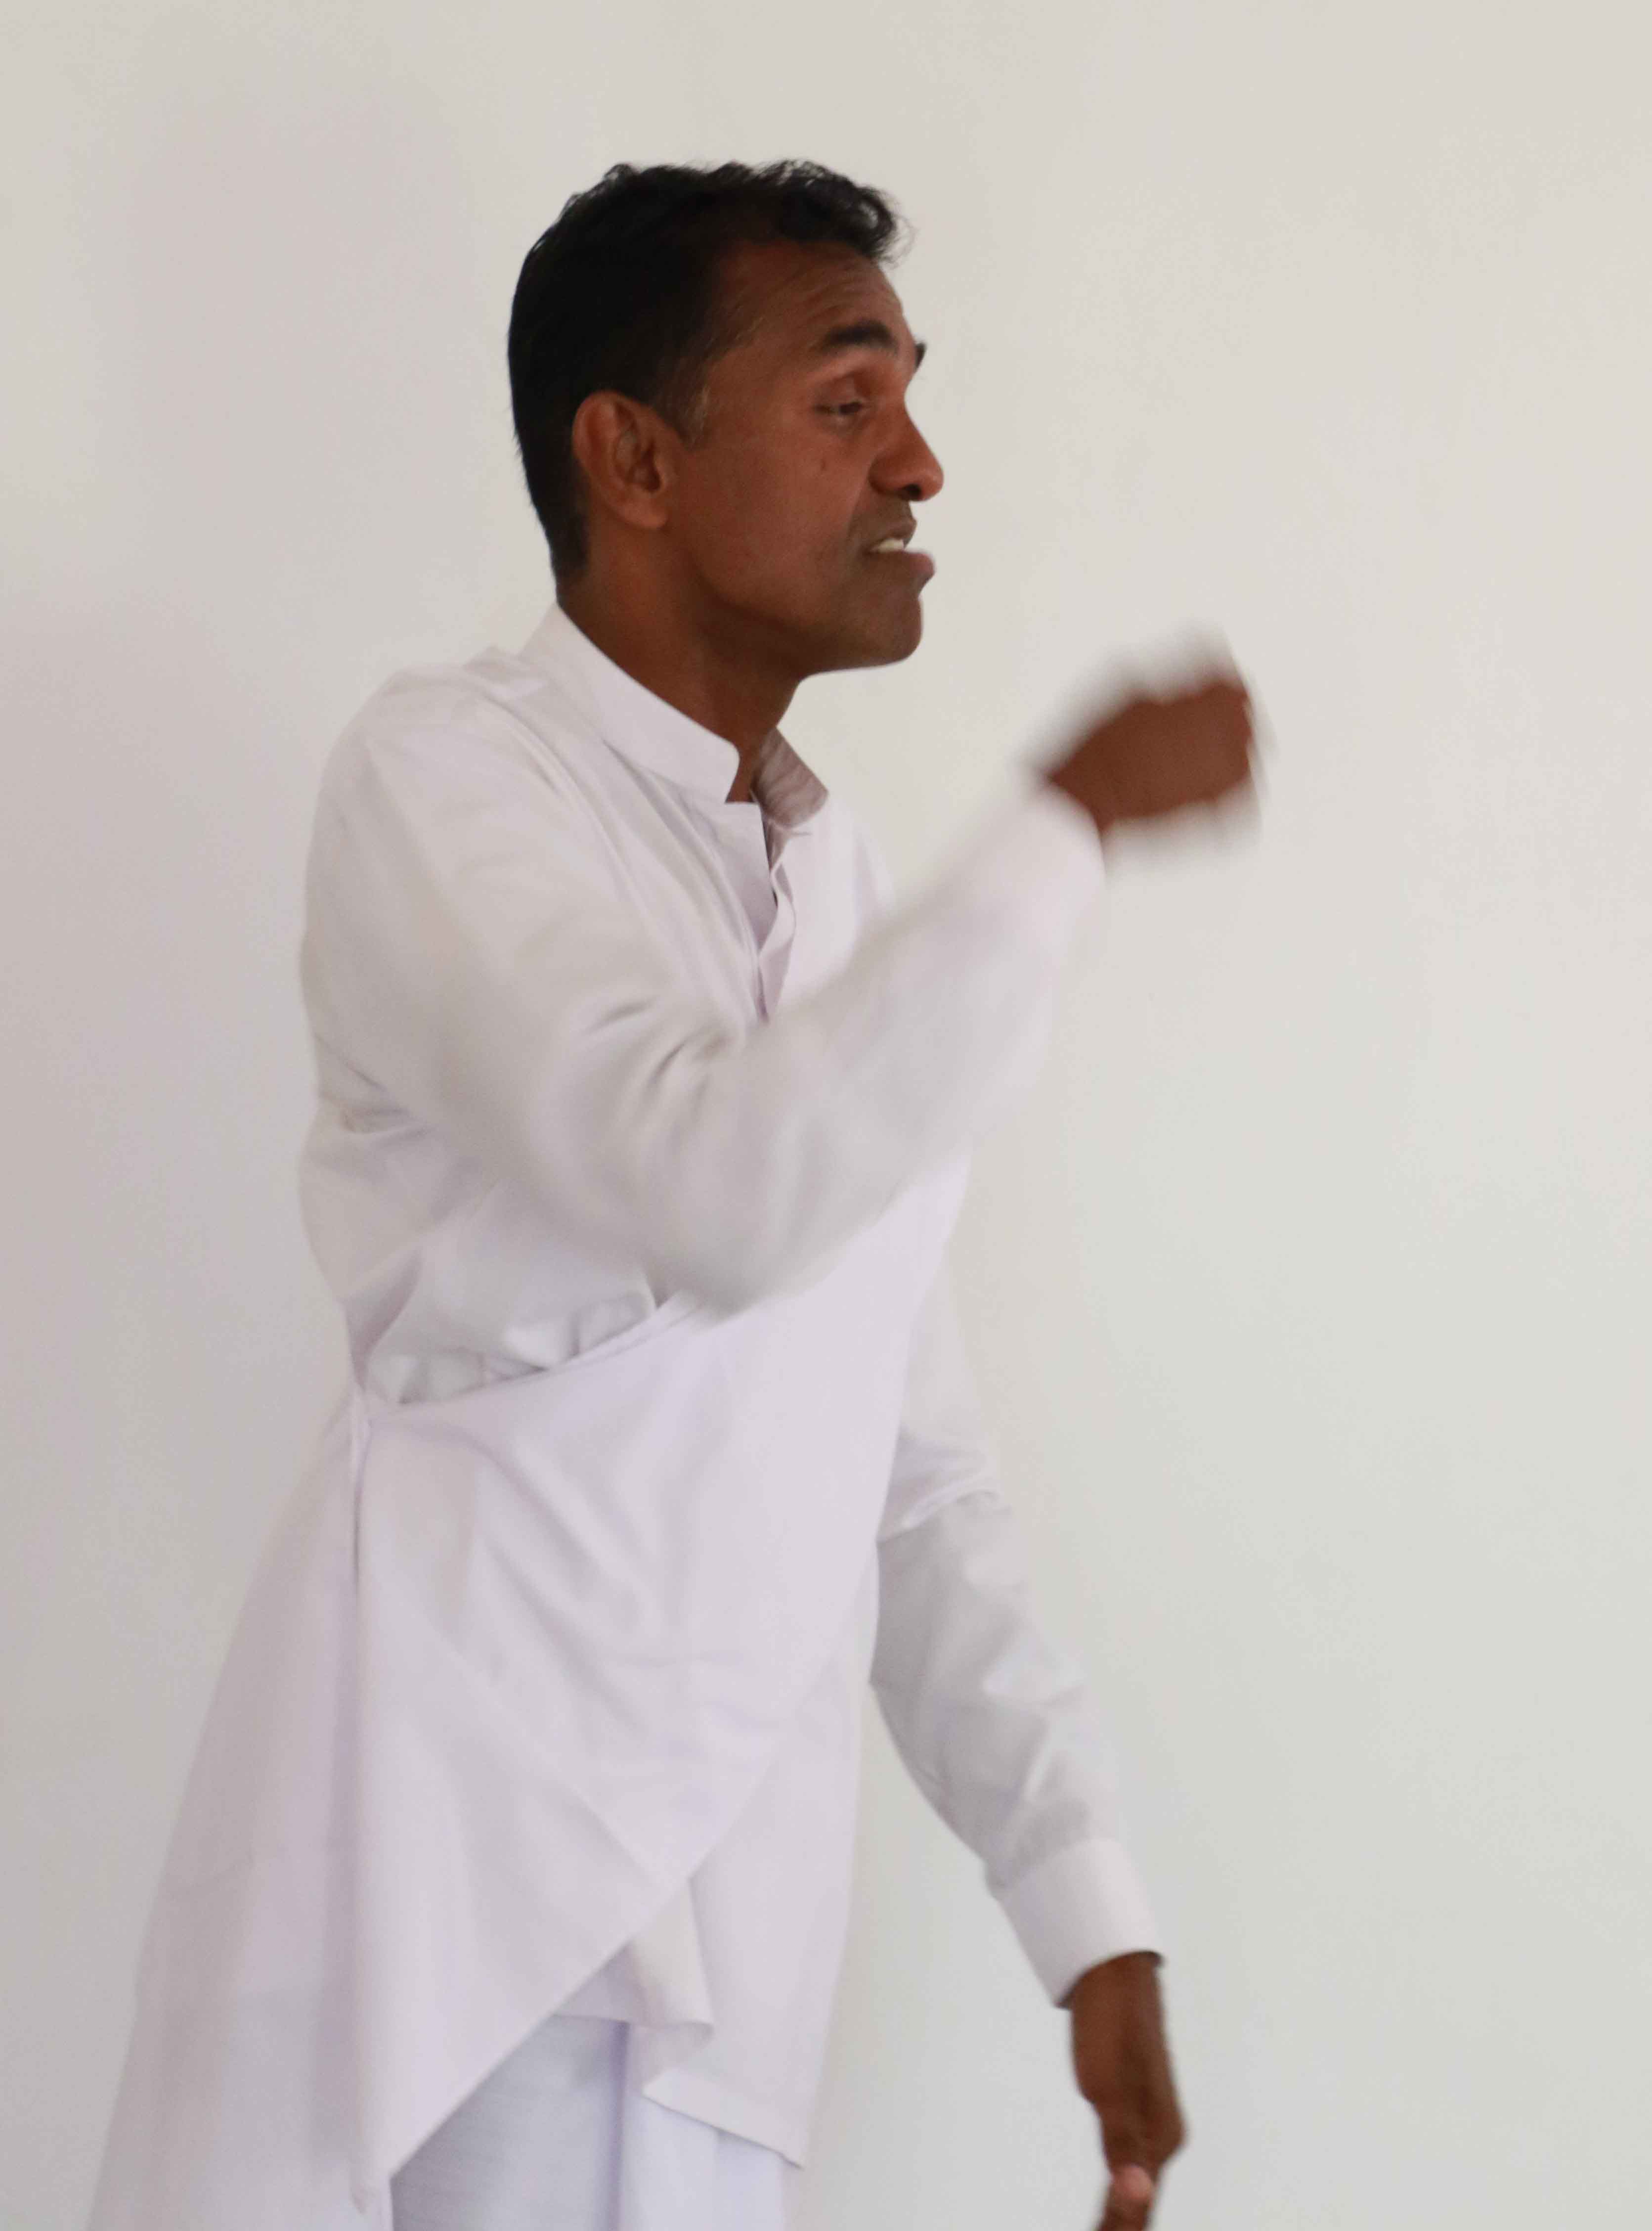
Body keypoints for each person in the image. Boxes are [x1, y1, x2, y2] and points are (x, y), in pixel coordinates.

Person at [86, 160, 1260, 2231]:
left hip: (729, 1962)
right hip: (443, 1943)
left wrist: (1084, 1909)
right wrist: (1068, 822)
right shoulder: (447, 785)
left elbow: (909, 1470)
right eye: (846, 399)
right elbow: (708, 1178)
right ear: (630, 459)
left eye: (910, 397)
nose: (919, 463)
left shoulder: (842, 891)